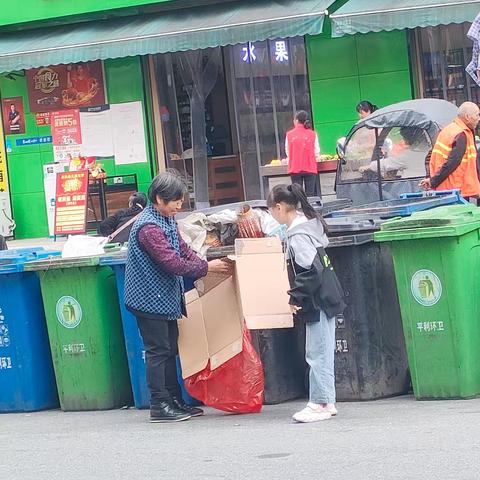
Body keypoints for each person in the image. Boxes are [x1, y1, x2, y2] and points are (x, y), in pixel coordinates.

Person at [124, 171, 231, 423]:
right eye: (175, 202)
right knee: (158, 350)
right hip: (147, 298)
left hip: (165, 297)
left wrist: (205, 262)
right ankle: (159, 404)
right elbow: (172, 263)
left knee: (170, 348)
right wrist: (207, 269)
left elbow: (183, 250)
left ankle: (173, 399)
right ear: (159, 199)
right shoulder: (148, 227)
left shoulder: (166, 220)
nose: (179, 206)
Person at [267, 184, 346, 424]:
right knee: (323, 351)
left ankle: (319, 403)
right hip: (327, 296)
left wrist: (295, 297)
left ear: (279, 208)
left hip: (317, 299)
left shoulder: (298, 234)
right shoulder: (309, 224)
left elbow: (311, 270)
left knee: (316, 353)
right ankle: (326, 401)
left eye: (271, 211)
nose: (271, 216)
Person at [420, 102, 480, 200]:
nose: (479, 118)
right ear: (468, 116)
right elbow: (452, 163)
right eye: (477, 115)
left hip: (448, 188)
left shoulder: (449, 130)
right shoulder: (461, 133)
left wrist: (432, 180)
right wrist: (433, 181)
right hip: (456, 189)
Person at [285, 110, 321, 197]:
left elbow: (288, 151)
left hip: (295, 168)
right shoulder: (312, 134)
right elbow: (316, 151)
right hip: (310, 168)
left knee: (298, 195)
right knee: (310, 195)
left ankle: (299, 210)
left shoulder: (289, 134)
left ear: (296, 121)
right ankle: (310, 210)